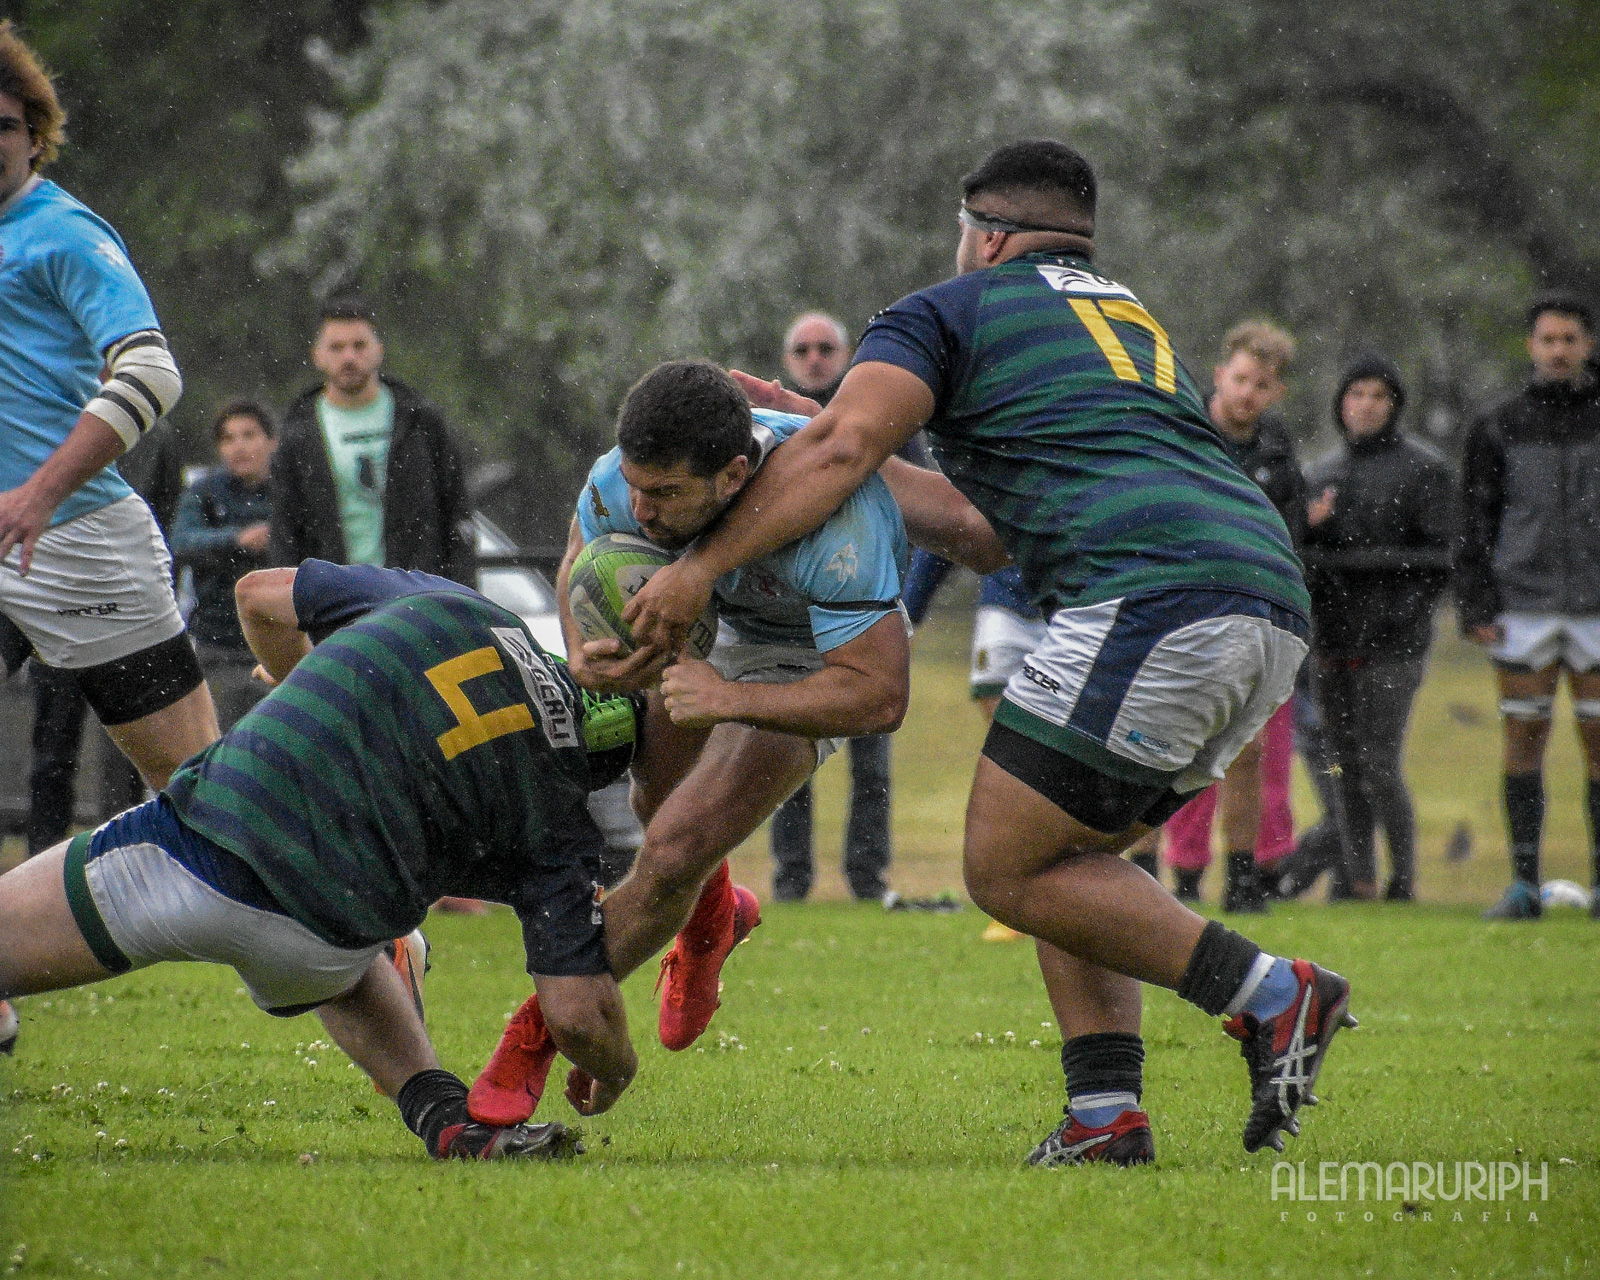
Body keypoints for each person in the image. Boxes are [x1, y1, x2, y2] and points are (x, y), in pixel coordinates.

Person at [625, 140, 1355, 1164]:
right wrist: (819, 422)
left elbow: (841, 453)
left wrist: (699, 569)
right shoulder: (1126, 323)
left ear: (987, 233)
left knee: (1004, 863)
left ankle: (1274, 993)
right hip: (1260, 596)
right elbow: (980, 529)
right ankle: (1104, 1115)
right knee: (1068, 853)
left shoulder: (944, 311)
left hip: (1151, 592)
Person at [0, 557, 641, 1158]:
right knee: (340, 949)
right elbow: (579, 1018)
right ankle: (443, 1113)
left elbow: (257, 598)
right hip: (318, 942)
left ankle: (390, 947)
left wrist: (297, 679)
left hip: (203, 842)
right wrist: (615, 1070)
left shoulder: (459, 606)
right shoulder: (560, 822)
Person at [467, 359, 936, 1127]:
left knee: (675, 848)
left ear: (733, 475)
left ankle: (538, 1034)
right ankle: (714, 916)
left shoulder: (839, 522)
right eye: (635, 487)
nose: (642, 511)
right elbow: (581, 552)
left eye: (666, 495)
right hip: (706, 620)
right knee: (659, 806)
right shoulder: (625, 482)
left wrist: (732, 699)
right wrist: (579, 641)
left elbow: (882, 694)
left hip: (808, 653)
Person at [0, 23, 219, 800]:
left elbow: (153, 372)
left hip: (76, 541)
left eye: (4, 124)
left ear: (36, 138)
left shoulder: (59, 233)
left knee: (198, 793)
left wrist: (40, 492)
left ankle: (371, 929)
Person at [1457, 293, 1600, 921]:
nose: (1559, 350)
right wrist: (1476, 602)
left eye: (1570, 339)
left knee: (1598, 741)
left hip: (1597, 604)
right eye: (1548, 339)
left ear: (1588, 345)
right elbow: (1474, 520)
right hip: (1525, 605)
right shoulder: (1497, 423)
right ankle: (1522, 884)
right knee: (1524, 740)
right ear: (1530, 346)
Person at [1297, 354, 1455, 902]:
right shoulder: (1320, 473)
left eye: (1378, 396)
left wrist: (1374, 583)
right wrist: (1313, 536)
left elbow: (1440, 559)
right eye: (1355, 394)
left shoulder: (1425, 470)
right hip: (1332, 640)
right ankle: (1358, 877)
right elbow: (1298, 555)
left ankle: (1404, 879)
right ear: (1340, 404)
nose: (1365, 405)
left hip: (1395, 645)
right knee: (1342, 765)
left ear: (1395, 406)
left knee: (1379, 763)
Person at [1161, 321, 1304, 911]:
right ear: (1219, 375)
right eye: (1240, 378)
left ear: (1275, 393)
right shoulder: (1185, 434)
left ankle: (1243, 878)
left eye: (1261, 384)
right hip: (1188, 611)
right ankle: (1183, 877)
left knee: (1247, 757)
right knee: (1178, 753)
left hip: (1256, 614)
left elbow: (1289, 538)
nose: (1247, 392)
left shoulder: (1277, 453)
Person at [768, 312, 894, 902]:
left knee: (871, 761)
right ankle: (792, 880)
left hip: (869, 610)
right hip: (796, 619)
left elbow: (911, 518)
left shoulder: (881, 419)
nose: (814, 358)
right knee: (791, 757)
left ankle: (867, 878)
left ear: (845, 355)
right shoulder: (770, 430)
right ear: (788, 360)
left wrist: (904, 606)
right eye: (802, 349)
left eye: (825, 348)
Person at [270, 296, 474, 585]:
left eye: (359, 345)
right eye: (337, 347)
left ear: (378, 351)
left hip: (415, 594)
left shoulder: (420, 420)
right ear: (317, 355)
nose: (349, 357)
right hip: (335, 600)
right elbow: (285, 531)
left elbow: (456, 514)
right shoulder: (297, 433)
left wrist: (461, 597)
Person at [170, 399, 280, 731]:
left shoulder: (292, 489)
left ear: (272, 441)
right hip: (218, 646)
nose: (239, 447)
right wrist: (237, 540)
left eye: (249, 435)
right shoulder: (204, 491)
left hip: (282, 645)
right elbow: (181, 542)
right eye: (228, 439)